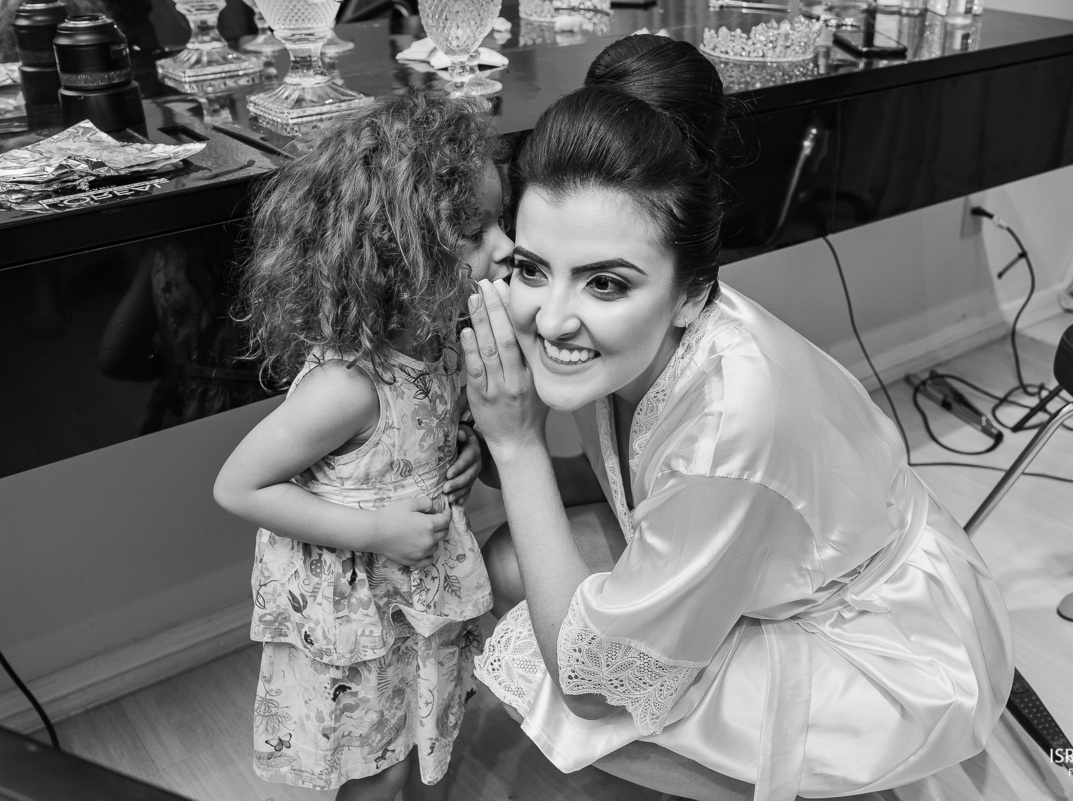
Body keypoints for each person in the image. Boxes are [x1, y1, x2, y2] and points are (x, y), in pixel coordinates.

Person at [460, 34, 1014, 801]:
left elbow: (593, 686)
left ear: (691, 292)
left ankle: (833, 782)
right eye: (532, 267)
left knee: (586, 677)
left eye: (607, 285)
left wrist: (516, 445)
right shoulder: (639, 345)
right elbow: (618, 472)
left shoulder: (730, 420)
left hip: (878, 646)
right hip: (770, 560)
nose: (552, 320)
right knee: (510, 560)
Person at [212, 90, 513, 801]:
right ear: (394, 257)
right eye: (475, 231)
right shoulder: (348, 387)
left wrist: (461, 448)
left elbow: (419, 436)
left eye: (499, 219)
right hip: (360, 615)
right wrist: (375, 528)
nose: (504, 246)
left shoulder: (439, 341)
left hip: (418, 595)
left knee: (432, 732)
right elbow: (239, 485)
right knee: (377, 765)